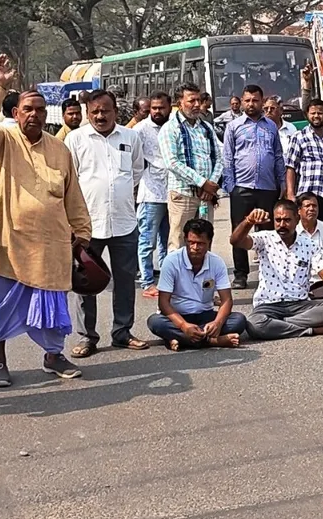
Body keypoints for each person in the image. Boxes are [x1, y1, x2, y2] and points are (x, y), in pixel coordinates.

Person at [0, 57, 93, 385]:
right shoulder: (3, 141)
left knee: (54, 306)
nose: (35, 115)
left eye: (40, 110)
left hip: (50, 245)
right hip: (7, 242)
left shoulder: (59, 149)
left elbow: (73, 195)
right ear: (16, 113)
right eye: (28, 109)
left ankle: (53, 356)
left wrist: (82, 231)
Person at [65, 89, 148, 357]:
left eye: (105, 111)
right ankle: (87, 337)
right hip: (88, 224)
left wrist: (117, 193)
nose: (100, 116)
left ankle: (122, 332)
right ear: (88, 113)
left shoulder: (130, 137)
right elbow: (70, 180)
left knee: (125, 280)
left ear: (115, 111)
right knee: (84, 282)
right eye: (95, 112)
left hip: (124, 221)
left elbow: (136, 172)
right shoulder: (75, 139)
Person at [234, 202, 323, 340]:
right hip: (268, 305)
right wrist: (248, 221)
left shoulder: (309, 244)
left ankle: (280, 325)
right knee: (255, 324)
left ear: (297, 220)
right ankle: (314, 330)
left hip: (300, 305)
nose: (282, 224)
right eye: (278, 220)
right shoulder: (264, 239)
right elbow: (236, 241)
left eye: (287, 220)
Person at [148, 218, 247, 350]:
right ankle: (212, 341)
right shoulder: (171, 261)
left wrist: (217, 323)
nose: (195, 248)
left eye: (200, 243)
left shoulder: (216, 262)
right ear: (185, 240)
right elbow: (163, 303)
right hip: (178, 316)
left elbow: (227, 300)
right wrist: (183, 326)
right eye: (191, 243)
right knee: (155, 321)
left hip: (205, 315)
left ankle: (181, 339)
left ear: (209, 243)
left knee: (239, 320)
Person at [222, 84, 286, 289]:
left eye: (255, 100)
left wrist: (282, 183)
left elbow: (278, 156)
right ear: (242, 102)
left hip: (268, 188)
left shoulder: (271, 127)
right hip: (242, 187)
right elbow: (227, 158)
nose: (251, 104)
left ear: (262, 102)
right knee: (240, 230)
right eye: (247, 100)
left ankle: (269, 273)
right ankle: (241, 274)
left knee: (268, 232)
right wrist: (231, 186)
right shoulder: (234, 127)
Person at [159, 82, 223, 250]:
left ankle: (202, 276)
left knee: (203, 243)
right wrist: (202, 182)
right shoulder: (170, 128)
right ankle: (177, 277)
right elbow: (172, 162)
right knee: (178, 243)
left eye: (198, 100)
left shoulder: (206, 127)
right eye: (191, 101)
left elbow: (219, 158)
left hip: (206, 196)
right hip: (183, 194)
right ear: (179, 103)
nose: (196, 105)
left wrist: (210, 185)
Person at [285, 98, 323, 224]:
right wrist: (290, 194)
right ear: (307, 115)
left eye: (320, 113)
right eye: (313, 113)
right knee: (306, 232)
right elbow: (291, 167)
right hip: (308, 196)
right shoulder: (299, 137)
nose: (316, 116)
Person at [136, 91, 172, 296]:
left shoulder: (174, 127)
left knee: (168, 241)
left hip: (173, 192)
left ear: (169, 107)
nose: (157, 111)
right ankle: (147, 281)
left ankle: (166, 282)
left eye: (161, 108)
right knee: (147, 241)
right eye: (154, 108)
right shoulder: (140, 130)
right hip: (150, 194)